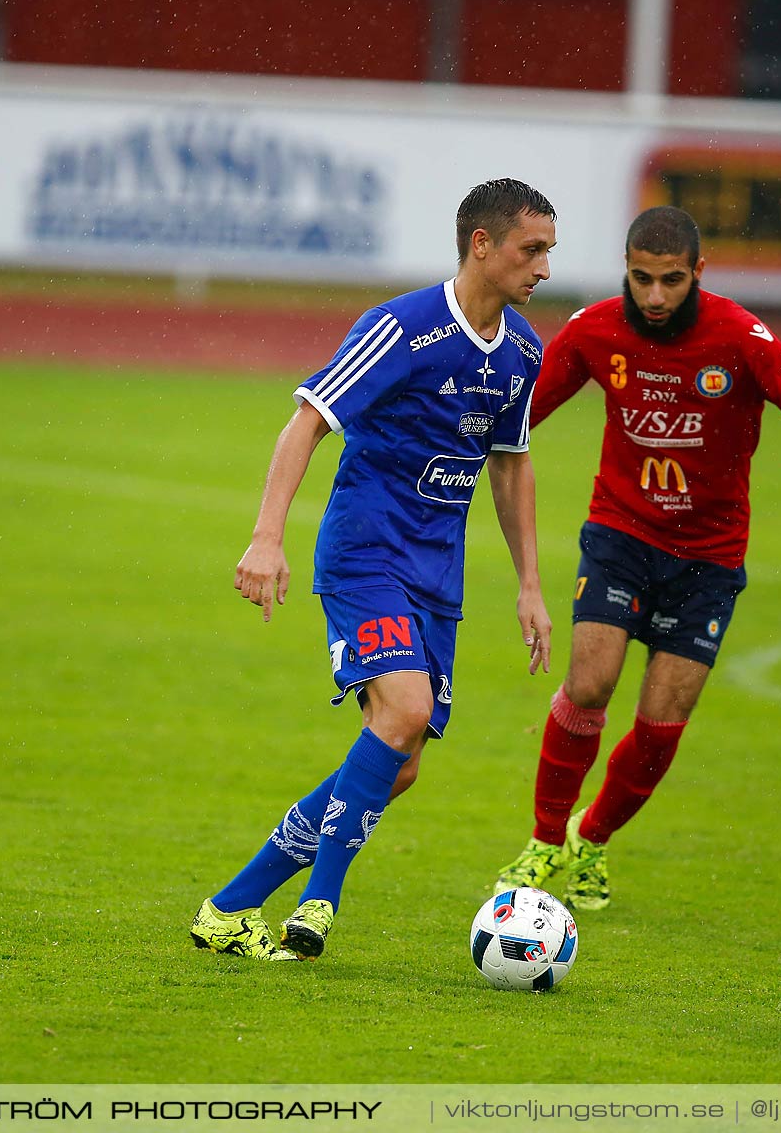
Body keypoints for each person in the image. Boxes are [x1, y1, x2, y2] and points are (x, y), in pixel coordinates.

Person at [190, 179, 557, 961]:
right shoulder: (401, 328)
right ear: (482, 245)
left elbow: (511, 466)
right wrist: (267, 536)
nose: (545, 268)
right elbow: (306, 423)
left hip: (437, 575)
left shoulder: (524, 350)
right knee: (404, 709)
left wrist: (530, 585)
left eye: (549, 251)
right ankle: (319, 903)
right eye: (533, 250)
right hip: (365, 553)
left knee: (399, 766)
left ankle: (230, 907)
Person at [492, 206, 781, 910]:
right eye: (641, 279)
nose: (654, 297)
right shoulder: (597, 329)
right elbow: (520, 413)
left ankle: (589, 840)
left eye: (671, 281)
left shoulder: (741, 337)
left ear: (698, 274)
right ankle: (542, 842)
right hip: (621, 534)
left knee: (660, 725)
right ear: (625, 270)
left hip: (709, 559)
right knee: (590, 684)